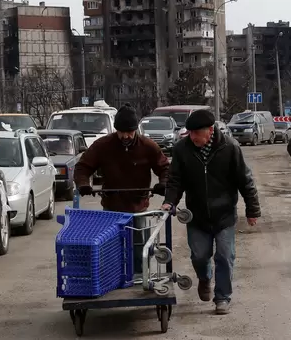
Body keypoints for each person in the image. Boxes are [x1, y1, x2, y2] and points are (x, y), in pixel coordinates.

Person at [160, 109, 261, 315]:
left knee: (225, 256)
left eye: (196, 133)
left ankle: (222, 297)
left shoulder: (230, 147)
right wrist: (169, 201)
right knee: (199, 256)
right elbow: (175, 180)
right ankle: (204, 278)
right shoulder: (182, 150)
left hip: (224, 214)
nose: (192, 137)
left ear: (210, 130)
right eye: (190, 133)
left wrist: (252, 209)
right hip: (196, 215)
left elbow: (245, 180)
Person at [74, 103, 169, 212]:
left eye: (129, 132)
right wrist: (83, 183)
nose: (125, 136)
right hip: (111, 208)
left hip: (138, 207)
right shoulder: (102, 145)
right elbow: (82, 167)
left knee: (139, 229)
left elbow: (165, 168)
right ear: (116, 129)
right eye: (121, 132)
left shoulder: (148, 146)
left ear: (135, 130)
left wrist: (164, 183)